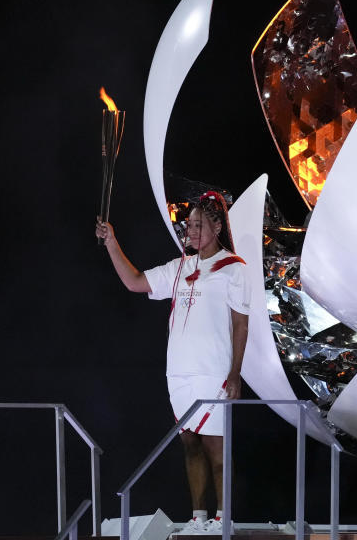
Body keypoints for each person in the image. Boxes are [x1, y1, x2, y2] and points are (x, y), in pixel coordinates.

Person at [96, 191, 249, 534]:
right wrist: (112, 242)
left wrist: (235, 373)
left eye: (199, 224)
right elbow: (135, 282)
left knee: (216, 446)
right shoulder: (179, 267)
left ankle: (224, 520)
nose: (191, 231)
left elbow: (241, 324)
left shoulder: (233, 269)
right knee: (190, 443)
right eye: (189, 224)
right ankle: (198, 518)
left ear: (218, 226)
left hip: (214, 371)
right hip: (178, 371)